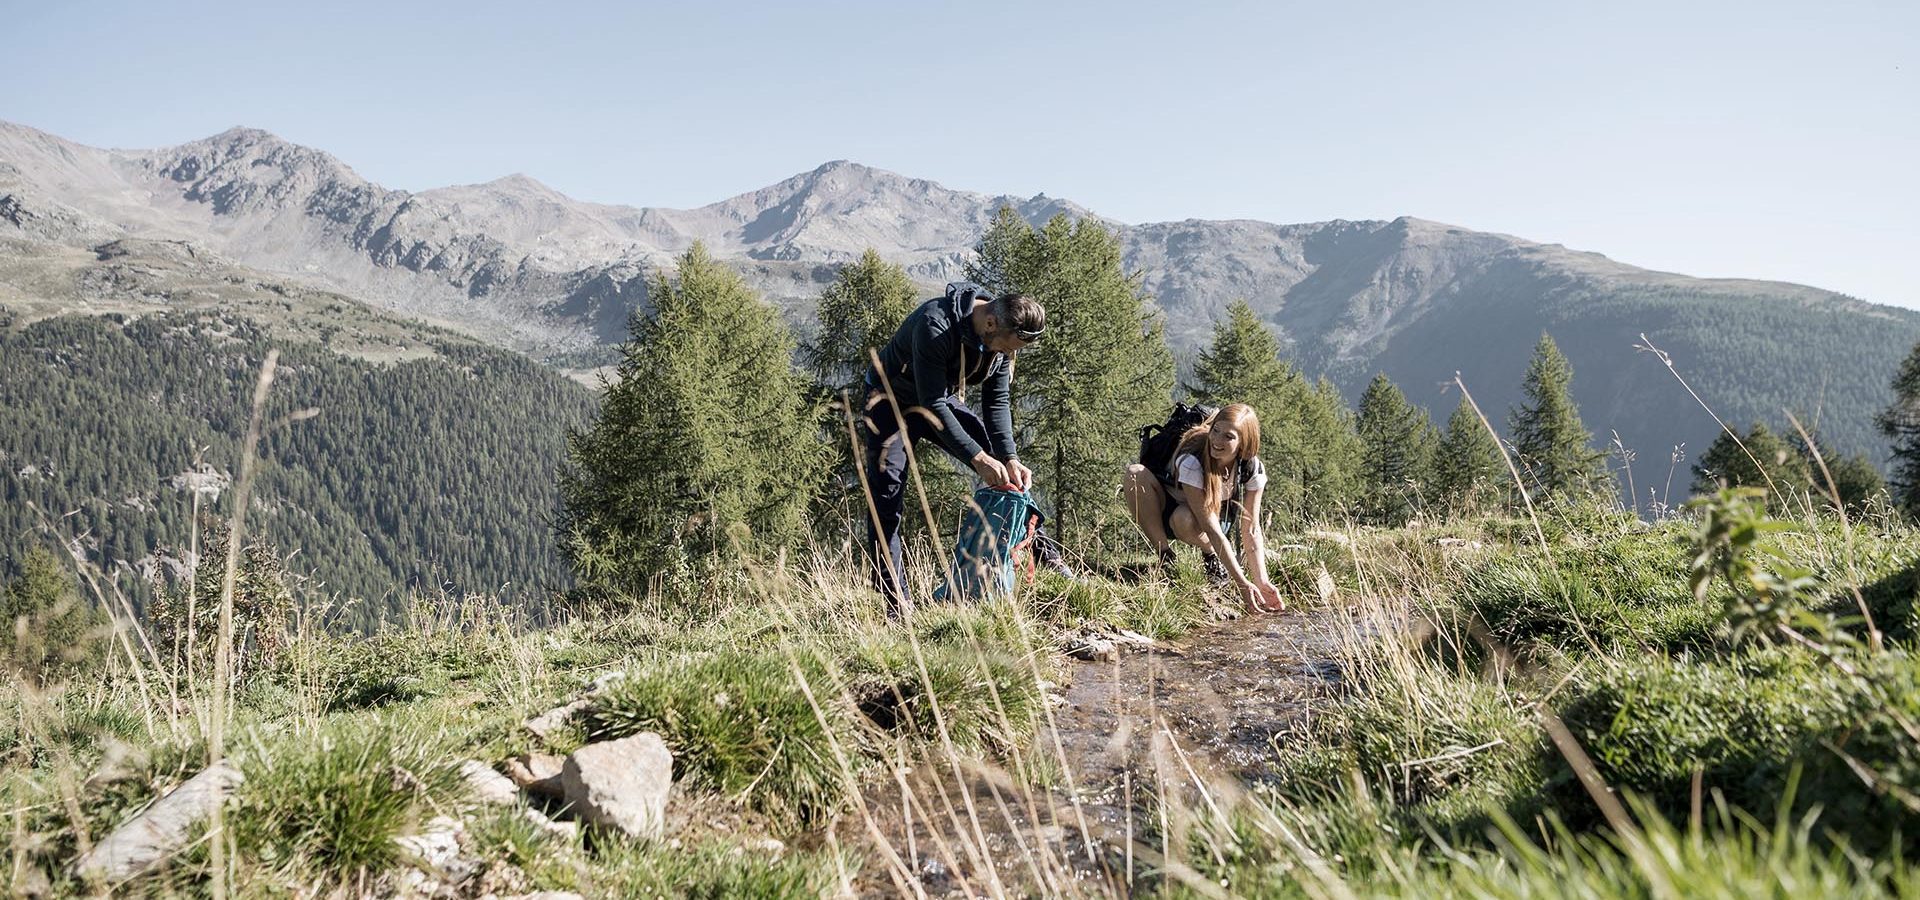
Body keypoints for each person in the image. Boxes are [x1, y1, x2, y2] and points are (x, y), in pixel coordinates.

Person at [862, 281, 1069, 613]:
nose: (1008, 355)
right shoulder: (935, 325)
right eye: (1006, 347)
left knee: (1008, 475)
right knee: (886, 497)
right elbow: (932, 404)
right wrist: (977, 458)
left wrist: (1008, 456)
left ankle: (1050, 559)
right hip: (890, 402)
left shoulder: (1002, 339)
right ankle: (896, 603)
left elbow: (997, 402)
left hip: (936, 400)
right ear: (990, 323)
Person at [1123, 403, 1285, 612]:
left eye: (1228, 437)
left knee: (1186, 518)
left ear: (1244, 444)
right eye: (1215, 431)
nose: (1217, 441)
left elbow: (1251, 529)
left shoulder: (1252, 467)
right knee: (1138, 476)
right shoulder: (1192, 460)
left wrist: (1262, 582)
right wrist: (1243, 584)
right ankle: (1167, 559)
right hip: (1171, 512)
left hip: (1219, 517)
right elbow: (1209, 527)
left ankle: (1212, 558)